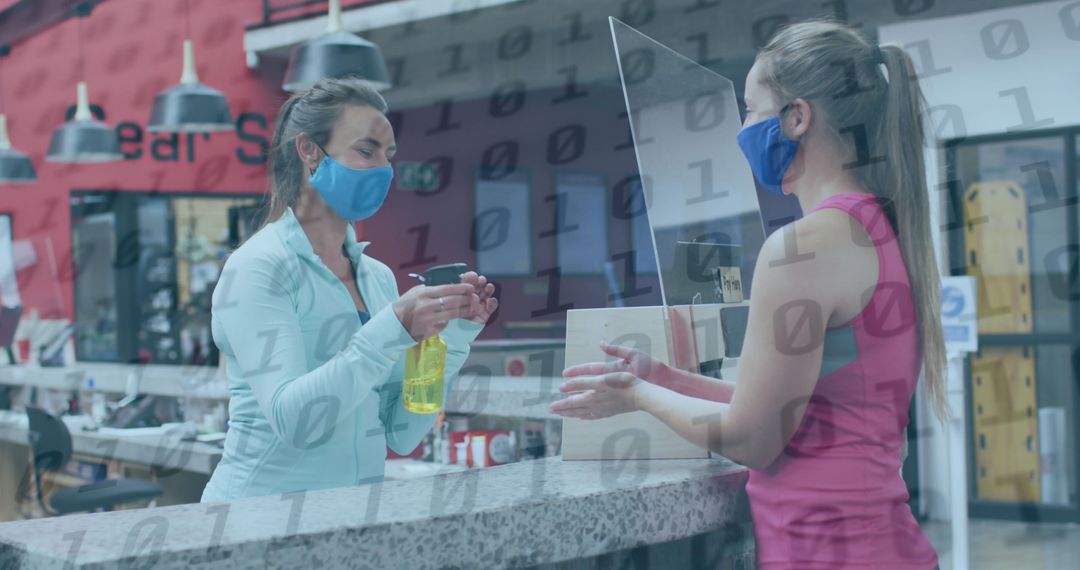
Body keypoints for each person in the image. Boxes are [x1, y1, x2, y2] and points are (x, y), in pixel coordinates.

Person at [550, 20, 944, 570]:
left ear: (797, 117)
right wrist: (663, 379)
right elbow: (798, 408)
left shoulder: (802, 248)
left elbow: (754, 438)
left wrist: (635, 396)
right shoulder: (880, 230)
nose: (742, 128)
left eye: (751, 109)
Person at [202, 76, 497, 502]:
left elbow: (401, 430)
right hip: (257, 520)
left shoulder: (375, 276)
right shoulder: (258, 268)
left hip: (349, 518)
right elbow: (296, 422)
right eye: (365, 150)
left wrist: (452, 336)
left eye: (388, 154)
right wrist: (392, 328)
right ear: (309, 151)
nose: (383, 168)